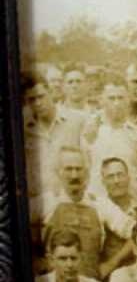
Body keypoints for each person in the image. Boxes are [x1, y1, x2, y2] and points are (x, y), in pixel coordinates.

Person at [36, 146, 135, 280]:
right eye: (68, 169)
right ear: (58, 172)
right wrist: (37, 261)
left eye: (79, 169)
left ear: (87, 173)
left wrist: (111, 264)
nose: (74, 175)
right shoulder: (47, 201)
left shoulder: (100, 204)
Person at [22, 72, 90, 201]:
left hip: (72, 200)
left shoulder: (78, 120)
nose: (38, 103)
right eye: (32, 99)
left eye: (41, 96)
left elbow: (89, 163)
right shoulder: (23, 127)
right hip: (38, 202)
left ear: (50, 91)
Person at [87, 75, 137, 206]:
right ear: (102, 100)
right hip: (98, 204)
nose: (116, 103)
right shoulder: (90, 132)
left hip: (133, 205)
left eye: (121, 98)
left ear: (128, 100)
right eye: (111, 98)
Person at [99, 157, 137, 275]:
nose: (116, 181)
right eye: (110, 177)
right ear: (103, 181)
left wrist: (113, 262)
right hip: (106, 278)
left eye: (120, 175)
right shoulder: (97, 211)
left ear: (128, 178)